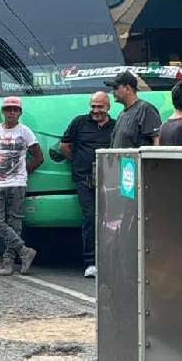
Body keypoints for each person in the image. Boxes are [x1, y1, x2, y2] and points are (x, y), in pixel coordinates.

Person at [0, 97, 42, 276]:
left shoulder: (25, 132)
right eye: (8, 109)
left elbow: (38, 157)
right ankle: (24, 251)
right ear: (3, 111)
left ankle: (8, 261)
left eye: (15, 110)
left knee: (14, 222)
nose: (11, 113)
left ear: (20, 113)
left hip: (17, 183)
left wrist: (23, 172)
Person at [59, 91, 115, 278]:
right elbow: (64, 145)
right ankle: (91, 262)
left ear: (108, 107)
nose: (96, 110)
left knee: (111, 219)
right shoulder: (79, 122)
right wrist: (77, 162)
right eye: (93, 106)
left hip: (108, 179)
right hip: (84, 178)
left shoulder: (115, 126)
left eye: (100, 107)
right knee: (90, 217)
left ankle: (111, 259)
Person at [105, 71, 162, 149]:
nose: (113, 92)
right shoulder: (121, 114)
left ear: (128, 88)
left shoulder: (146, 110)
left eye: (116, 88)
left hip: (138, 161)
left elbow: (157, 140)